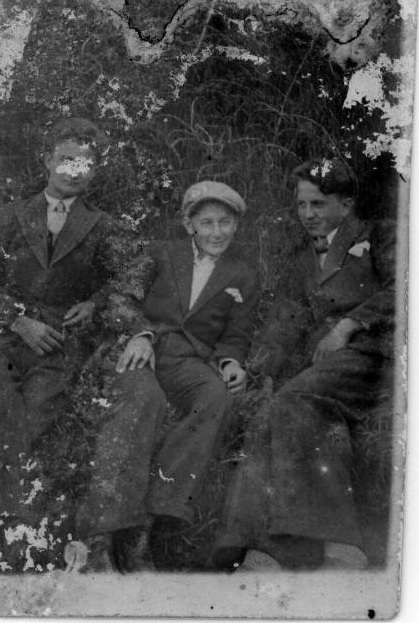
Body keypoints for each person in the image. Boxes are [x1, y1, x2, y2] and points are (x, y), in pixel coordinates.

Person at [0, 117, 159, 571]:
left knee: (37, 406)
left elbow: (130, 274)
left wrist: (94, 301)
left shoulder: (101, 226)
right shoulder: (10, 216)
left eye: (86, 162)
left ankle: (12, 529)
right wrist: (16, 319)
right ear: (48, 160)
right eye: (66, 158)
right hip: (3, 335)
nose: (75, 169)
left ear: (95, 171)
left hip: (59, 341)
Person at [213, 158, 396, 571]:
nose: (308, 215)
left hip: (373, 357)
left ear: (346, 204)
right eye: (301, 205)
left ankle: (332, 544)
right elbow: (284, 323)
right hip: (329, 369)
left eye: (318, 204)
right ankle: (253, 548)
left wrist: (349, 323)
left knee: (293, 397)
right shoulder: (300, 260)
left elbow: (407, 285)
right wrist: (251, 369)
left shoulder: (380, 235)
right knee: (268, 415)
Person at [68, 180, 258, 572]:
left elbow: (236, 335)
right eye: (206, 223)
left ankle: (149, 522)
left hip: (190, 362)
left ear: (236, 226)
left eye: (225, 223)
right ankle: (101, 537)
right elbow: (121, 298)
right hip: (144, 349)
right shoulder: (158, 253)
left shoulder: (243, 274)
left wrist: (231, 362)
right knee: (144, 399)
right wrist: (138, 334)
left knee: (216, 399)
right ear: (189, 224)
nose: (216, 232)